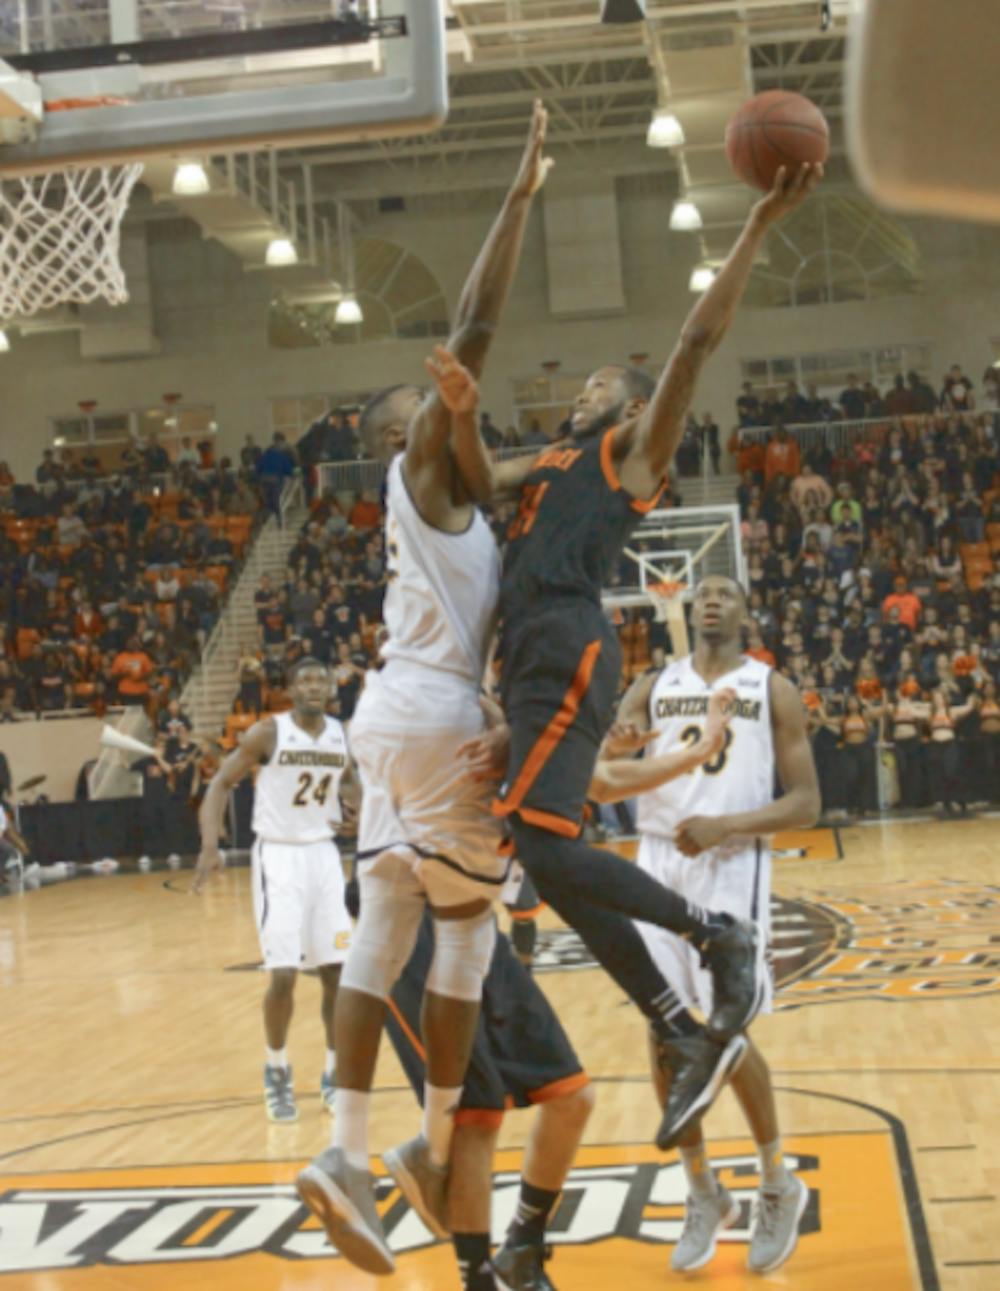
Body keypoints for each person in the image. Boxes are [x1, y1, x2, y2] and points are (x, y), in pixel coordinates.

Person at [481, 164, 821, 1151]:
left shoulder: (628, 454)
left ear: (630, 411)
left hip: (565, 637)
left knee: (547, 852)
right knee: (552, 862)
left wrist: (755, 223)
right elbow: (462, 472)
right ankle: (678, 1020)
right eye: (582, 386)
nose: (583, 392)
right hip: (525, 654)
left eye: (600, 385)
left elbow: (695, 341)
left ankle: (715, 937)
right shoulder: (542, 464)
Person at [295, 104, 556, 1279]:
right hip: (436, 717)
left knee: (382, 931)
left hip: (389, 716)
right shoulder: (426, 483)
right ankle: (432, 1134)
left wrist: (465, 408)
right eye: (420, 407)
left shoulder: (460, 502)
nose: (438, 401)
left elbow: (478, 414)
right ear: (399, 441)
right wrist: (516, 197)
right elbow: (479, 324)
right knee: (460, 941)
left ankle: (345, 1152)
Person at [590, 574, 820, 1276]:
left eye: (727, 592)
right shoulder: (652, 682)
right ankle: (701, 1188)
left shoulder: (769, 688)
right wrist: (621, 744)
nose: (712, 599)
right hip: (656, 859)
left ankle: (777, 1178)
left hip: (731, 859)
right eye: (704, 593)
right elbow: (597, 769)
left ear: (748, 614)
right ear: (689, 611)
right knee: (664, 1030)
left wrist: (728, 822)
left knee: (725, 1032)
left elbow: (807, 802)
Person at [379, 865, 593, 1291]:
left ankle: (523, 1248)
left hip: (474, 920)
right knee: (477, 1116)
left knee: (573, 1096)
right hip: (410, 925)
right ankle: (476, 1279)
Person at [193, 658, 353, 1122]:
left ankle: (334, 1074)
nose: (313, 685)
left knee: (337, 973)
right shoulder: (268, 732)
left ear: (330, 688)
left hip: (323, 854)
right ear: (289, 689)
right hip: (279, 856)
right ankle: (277, 1070)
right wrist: (209, 845)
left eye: (320, 678)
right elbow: (220, 784)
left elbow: (353, 784)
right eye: (304, 679)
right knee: (282, 974)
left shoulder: (341, 734)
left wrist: (362, 812)